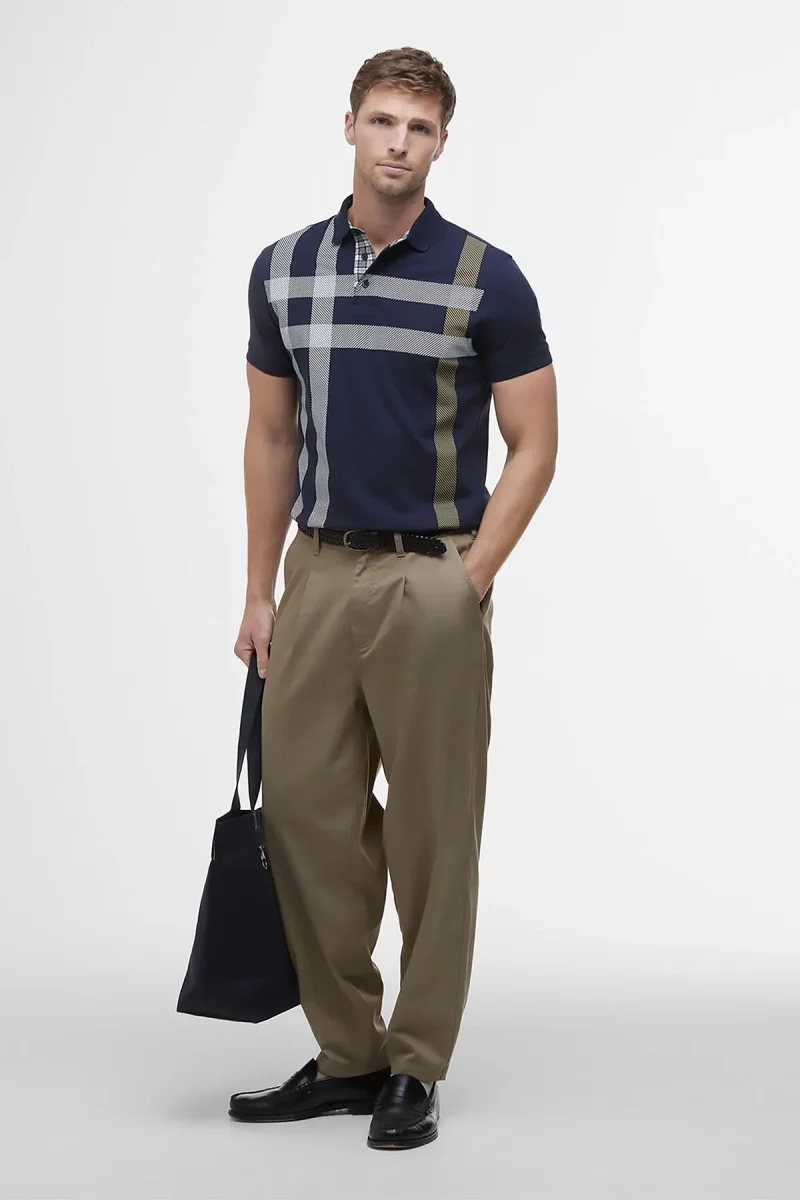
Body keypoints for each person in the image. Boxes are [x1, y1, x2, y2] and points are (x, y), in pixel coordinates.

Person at [228, 45, 558, 1151]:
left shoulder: (485, 277)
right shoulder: (282, 270)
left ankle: (414, 1063)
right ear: (349, 127)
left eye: (418, 127)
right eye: (381, 120)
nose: (397, 143)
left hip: (431, 576)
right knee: (305, 816)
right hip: (317, 573)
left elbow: (535, 443)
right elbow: (269, 434)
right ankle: (347, 1054)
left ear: (441, 143)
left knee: (431, 831)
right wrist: (258, 587)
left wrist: (470, 580)